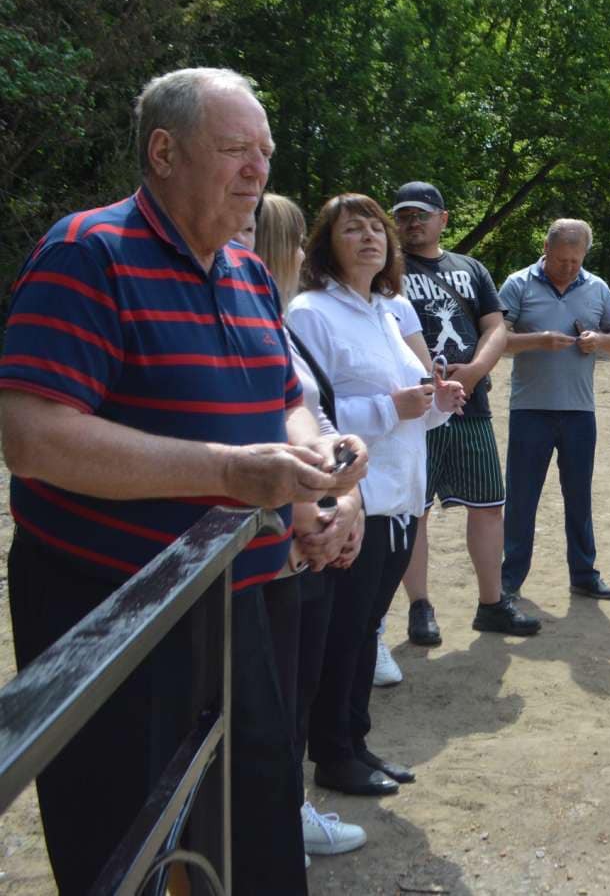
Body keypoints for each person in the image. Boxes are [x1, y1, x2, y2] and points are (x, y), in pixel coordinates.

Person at [0, 67, 364, 894]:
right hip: (116, 612)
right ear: (163, 152)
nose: (258, 171)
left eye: (265, 153)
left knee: (254, 836)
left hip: (244, 603)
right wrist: (230, 472)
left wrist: (321, 483)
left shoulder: (243, 274)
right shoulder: (87, 251)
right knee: (126, 847)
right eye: (236, 149)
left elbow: (285, 404)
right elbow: (32, 437)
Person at [288, 194, 467, 798]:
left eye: (376, 228)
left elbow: (413, 409)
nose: (369, 237)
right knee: (342, 634)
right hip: (355, 503)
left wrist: (437, 404)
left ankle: (356, 743)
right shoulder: (310, 313)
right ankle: (333, 756)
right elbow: (312, 415)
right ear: (325, 244)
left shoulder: (388, 310)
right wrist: (391, 407)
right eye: (352, 228)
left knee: (366, 628)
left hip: (402, 497)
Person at [254, 193, 369, 859]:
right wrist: (316, 511)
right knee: (274, 701)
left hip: (313, 533)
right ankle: (273, 822)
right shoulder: (272, 325)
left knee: (298, 690)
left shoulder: (277, 329)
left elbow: (318, 425)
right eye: (293, 242)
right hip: (275, 549)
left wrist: (347, 502)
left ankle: (285, 812)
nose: (301, 256)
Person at [391, 181, 536, 644]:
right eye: (404, 215)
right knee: (416, 511)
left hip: (470, 406)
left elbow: (496, 327)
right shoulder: (384, 269)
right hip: (413, 411)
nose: (413, 222)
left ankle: (492, 604)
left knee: (489, 505)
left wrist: (474, 371)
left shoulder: (470, 268)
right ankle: (420, 607)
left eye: (422, 214)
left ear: (443, 218)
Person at [498, 218, 610, 603]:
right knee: (522, 499)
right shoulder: (518, 283)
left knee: (579, 496)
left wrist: (598, 340)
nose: (568, 267)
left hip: (579, 411)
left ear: (585, 254)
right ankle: (509, 579)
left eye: (575, 260)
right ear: (546, 247)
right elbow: (497, 340)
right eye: (560, 260)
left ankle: (584, 574)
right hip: (529, 409)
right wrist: (536, 340)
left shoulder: (597, 287)